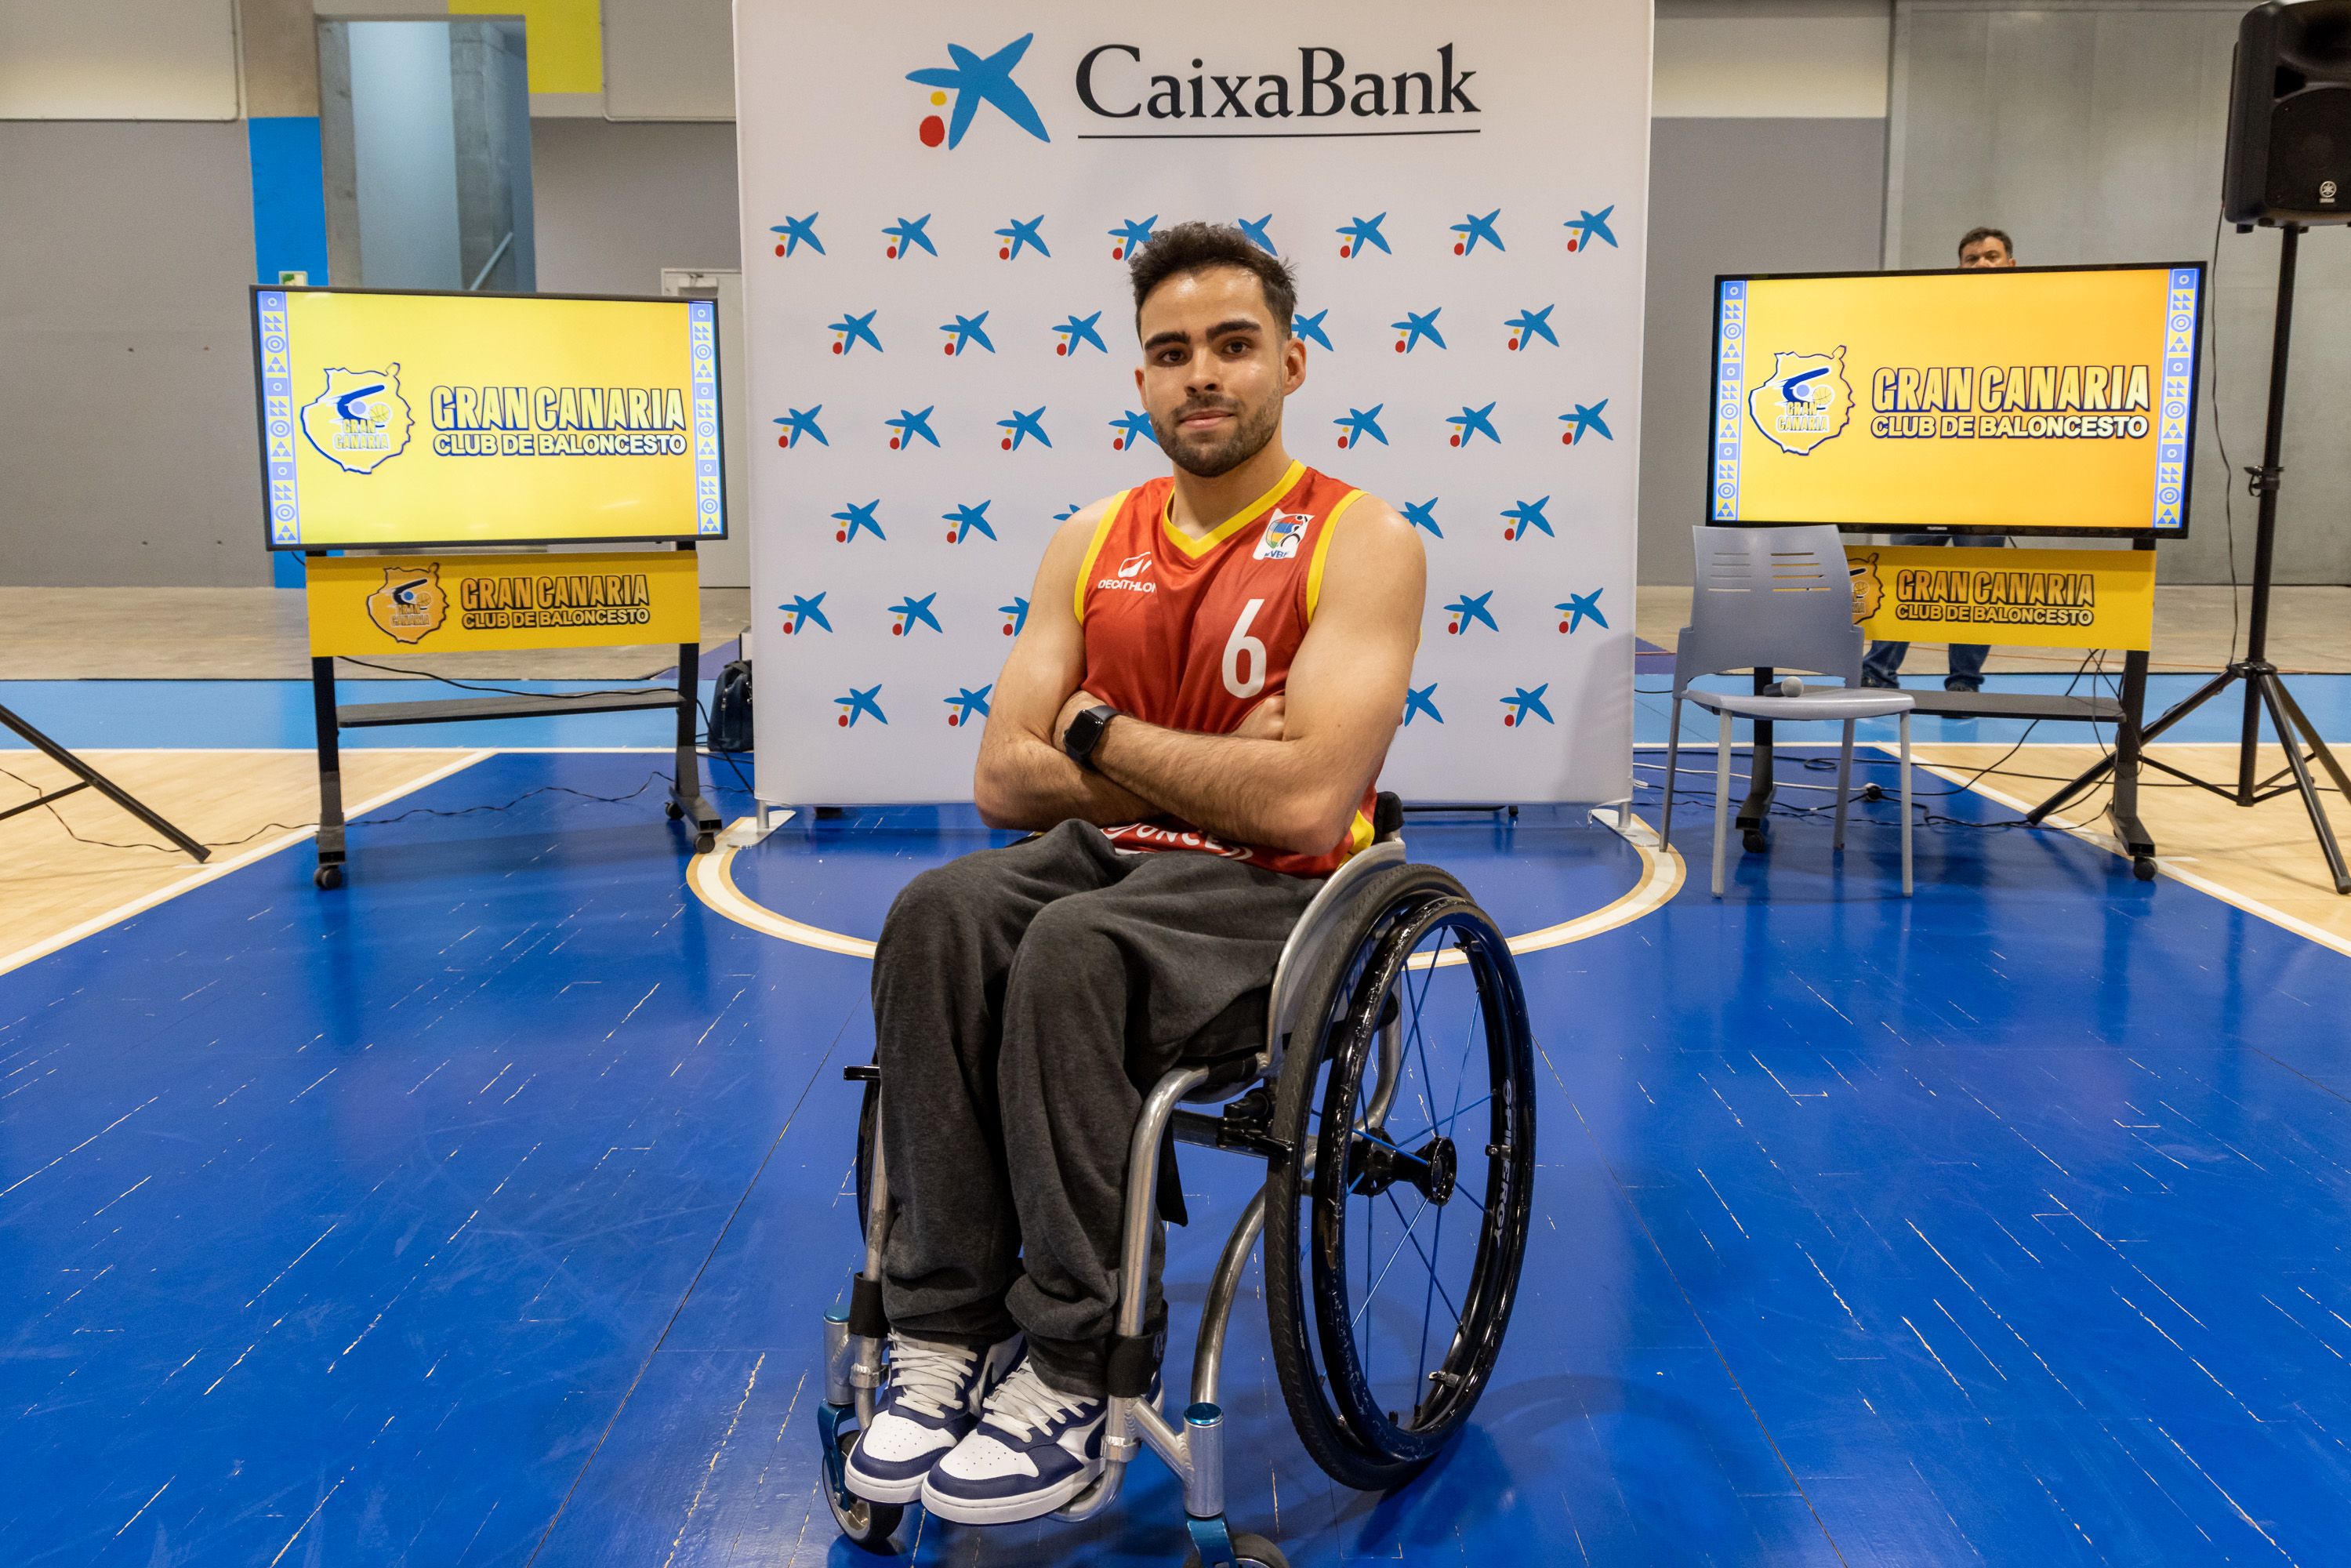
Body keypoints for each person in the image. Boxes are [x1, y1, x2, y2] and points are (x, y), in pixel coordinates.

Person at [842, 222, 1425, 1526]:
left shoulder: (1362, 538)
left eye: (1232, 345)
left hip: (1275, 889)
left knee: (1071, 953)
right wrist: (1210, 761)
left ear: (1289, 363)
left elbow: (1302, 801)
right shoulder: (1088, 538)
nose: (1200, 373)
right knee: (936, 914)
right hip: (1115, 857)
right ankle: (943, 1329)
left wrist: (1097, 733)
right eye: (1170, 353)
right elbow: (1003, 779)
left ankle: (1073, 1358)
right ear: (1141, 379)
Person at [1861, 225, 2017, 691]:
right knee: (1902, 573)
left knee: (1975, 583)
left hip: (1989, 477)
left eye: (1992, 257)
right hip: (1928, 473)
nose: (1982, 264)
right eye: (1972, 259)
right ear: (1960, 267)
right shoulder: (1935, 316)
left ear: (2011, 264)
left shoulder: (2032, 322)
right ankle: (1877, 672)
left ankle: (1965, 682)